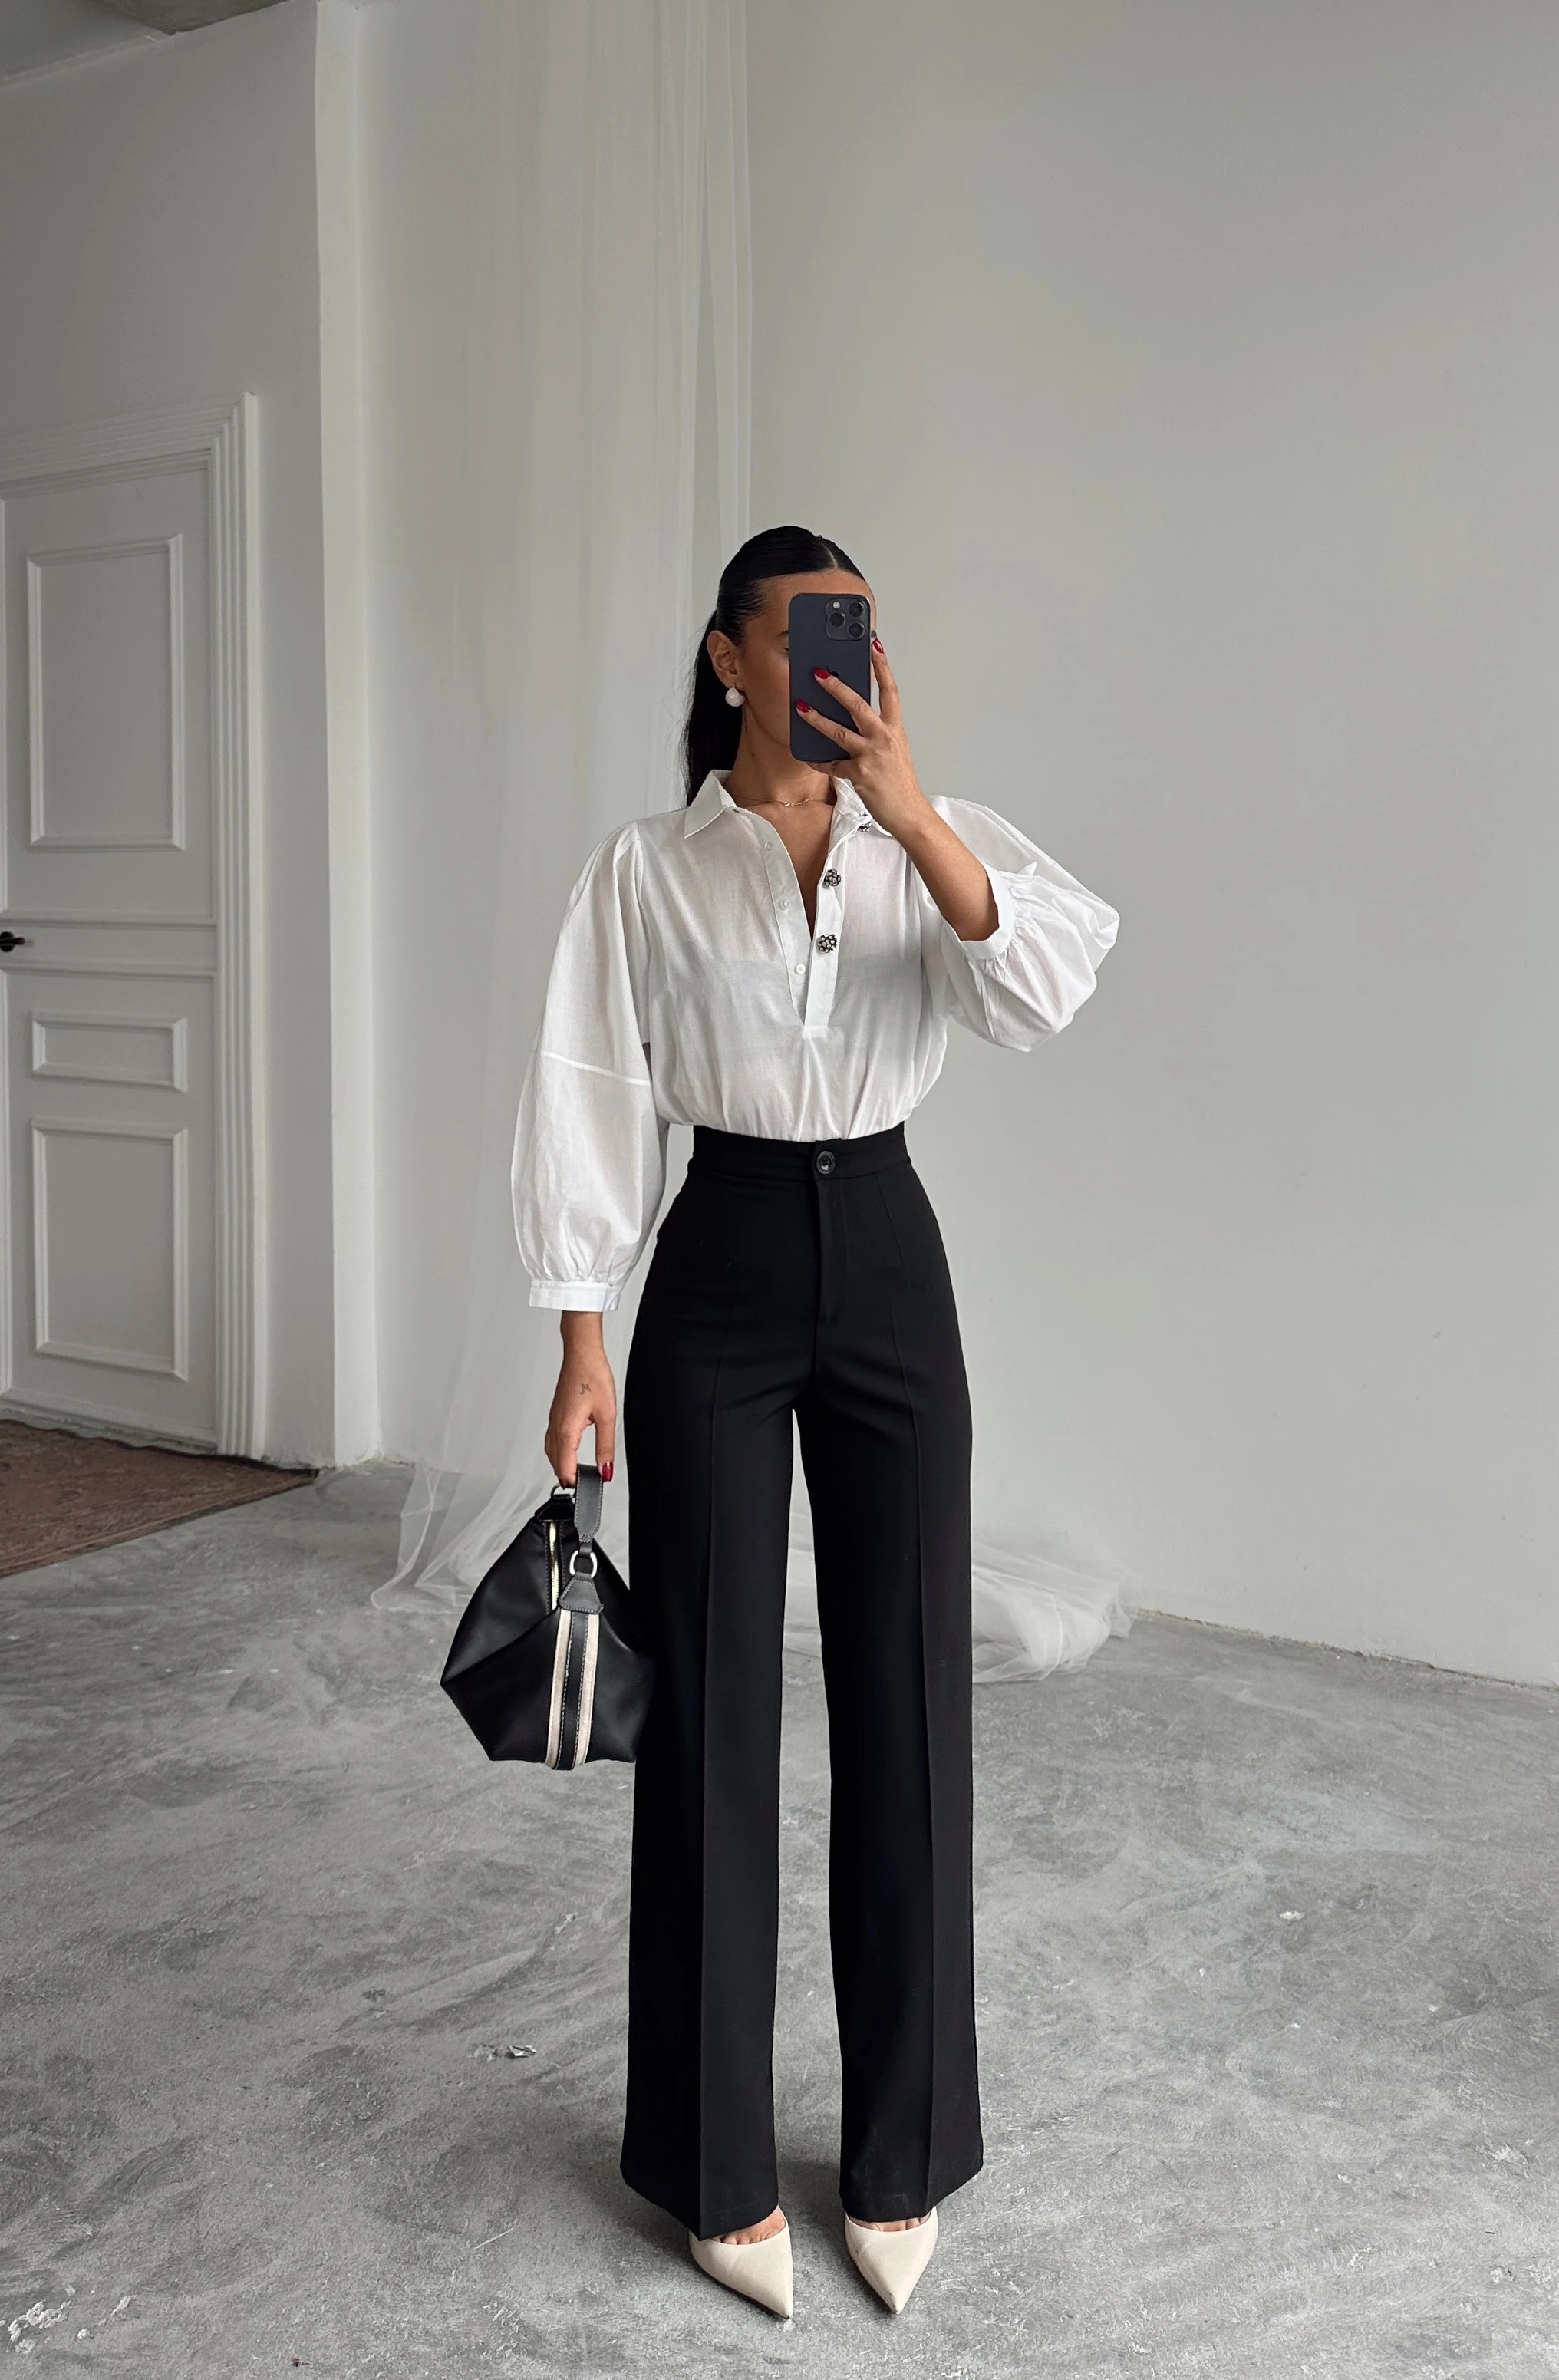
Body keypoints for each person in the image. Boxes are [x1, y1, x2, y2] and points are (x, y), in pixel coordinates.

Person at [509, 524, 1119, 2318]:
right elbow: (585, 1095)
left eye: (859, 630)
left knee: (908, 1696)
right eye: (802, 632)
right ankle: (712, 2170)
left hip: (888, 1255)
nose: (839, 660)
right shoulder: (646, 869)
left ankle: (900, 2152)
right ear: (727, 658)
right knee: (706, 1710)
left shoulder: (925, 836)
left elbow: (1042, 989)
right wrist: (579, 1342)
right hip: (717, 1259)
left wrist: (912, 814)